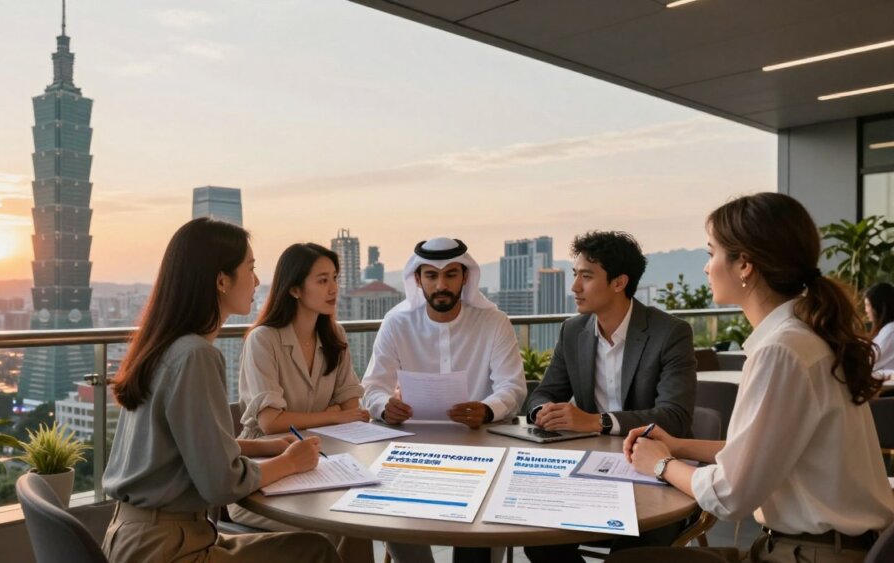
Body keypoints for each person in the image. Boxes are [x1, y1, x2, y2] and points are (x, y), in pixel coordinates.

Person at [624, 193, 894, 563]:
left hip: (808, 554)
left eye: (711, 253)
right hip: (826, 547)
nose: (706, 268)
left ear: (745, 265)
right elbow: (759, 454)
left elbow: (730, 494)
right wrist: (676, 445)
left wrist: (660, 465)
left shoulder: (781, 350)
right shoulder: (806, 336)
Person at [101, 219, 340, 563]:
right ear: (221, 280)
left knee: (314, 547)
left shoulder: (165, 346)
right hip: (167, 550)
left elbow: (187, 447)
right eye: (251, 268)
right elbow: (221, 484)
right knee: (316, 551)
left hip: (140, 537)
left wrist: (265, 445)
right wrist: (290, 462)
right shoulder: (197, 355)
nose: (257, 281)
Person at [522, 231, 697, 562]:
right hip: (591, 470)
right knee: (539, 543)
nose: (574, 287)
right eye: (575, 275)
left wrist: (596, 421)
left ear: (619, 283)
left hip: (656, 472)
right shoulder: (573, 331)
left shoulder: (669, 333)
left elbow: (675, 416)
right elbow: (544, 392)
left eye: (586, 277)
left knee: (632, 554)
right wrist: (542, 411)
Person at [361, 236, 527, 563]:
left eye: (450, 274)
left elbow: (513, 388)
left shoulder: (494, 322)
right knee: (395, 514)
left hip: (480, 447)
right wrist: (384, 406)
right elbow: (372, 388)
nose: (441, 285)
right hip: (411, 451)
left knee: (479, 547)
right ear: (417, 280)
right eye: (431, 276)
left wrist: (487, 409)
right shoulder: (397, 322)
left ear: (466, 277)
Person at [228, 242, 372, 563]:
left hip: (324, 467)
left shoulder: (335, 335)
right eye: (322, 280)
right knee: (336, 526)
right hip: (263, 476)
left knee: (360, 520)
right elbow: (271, 423)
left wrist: (340, 414)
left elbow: (354, 411)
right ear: (294, 288)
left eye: (335, 278)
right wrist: (334, 416)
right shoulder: (263, 339)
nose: (334, 288)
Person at [865, 281, 894, 373]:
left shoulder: (890, 330)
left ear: (878, 307)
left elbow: (870, 361)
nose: (866, 310)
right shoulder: (887, 329)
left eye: (868, 305)